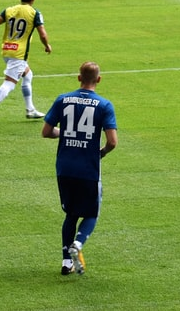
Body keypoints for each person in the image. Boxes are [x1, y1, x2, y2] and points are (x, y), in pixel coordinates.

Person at [41, 61, 118, 276]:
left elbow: (46, 132)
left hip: (64, 167)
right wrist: (100, 153)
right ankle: (78, 243)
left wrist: (63, 134)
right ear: (99, 79)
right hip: (88, 169)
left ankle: (66, 261)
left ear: (78, 78)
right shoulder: (104, 105)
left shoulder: (63, 99)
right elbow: (112, 142)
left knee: (71, 214)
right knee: (92, 212)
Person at [0, 0, 51, 127]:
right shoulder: (34, 13)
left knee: (28, 74)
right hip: (18, 54)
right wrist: (47, 45)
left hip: (6, 50)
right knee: (10, 83)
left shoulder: (9, 10)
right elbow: (42, 34)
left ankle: (30, 109)